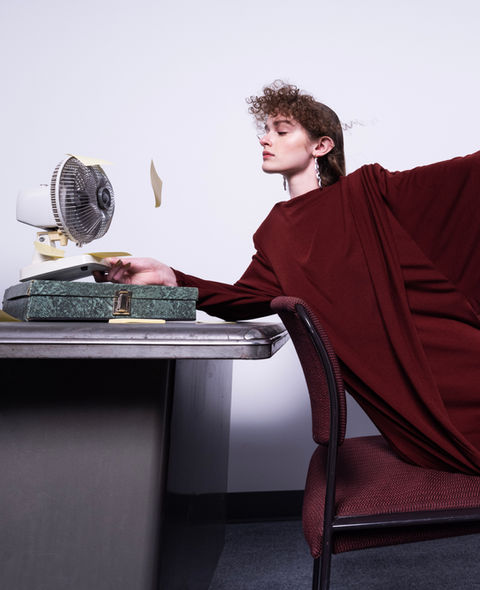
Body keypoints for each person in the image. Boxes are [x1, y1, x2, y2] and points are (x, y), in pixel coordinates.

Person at [95, 80, 480, 475]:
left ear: (321, 146)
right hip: (408, 394)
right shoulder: (275, 231)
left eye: (281, 131)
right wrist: (170, 276)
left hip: (454, 358)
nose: (265, 139)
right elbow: (242, 299)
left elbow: (464, 181)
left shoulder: (367, 191)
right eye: (265, 131)